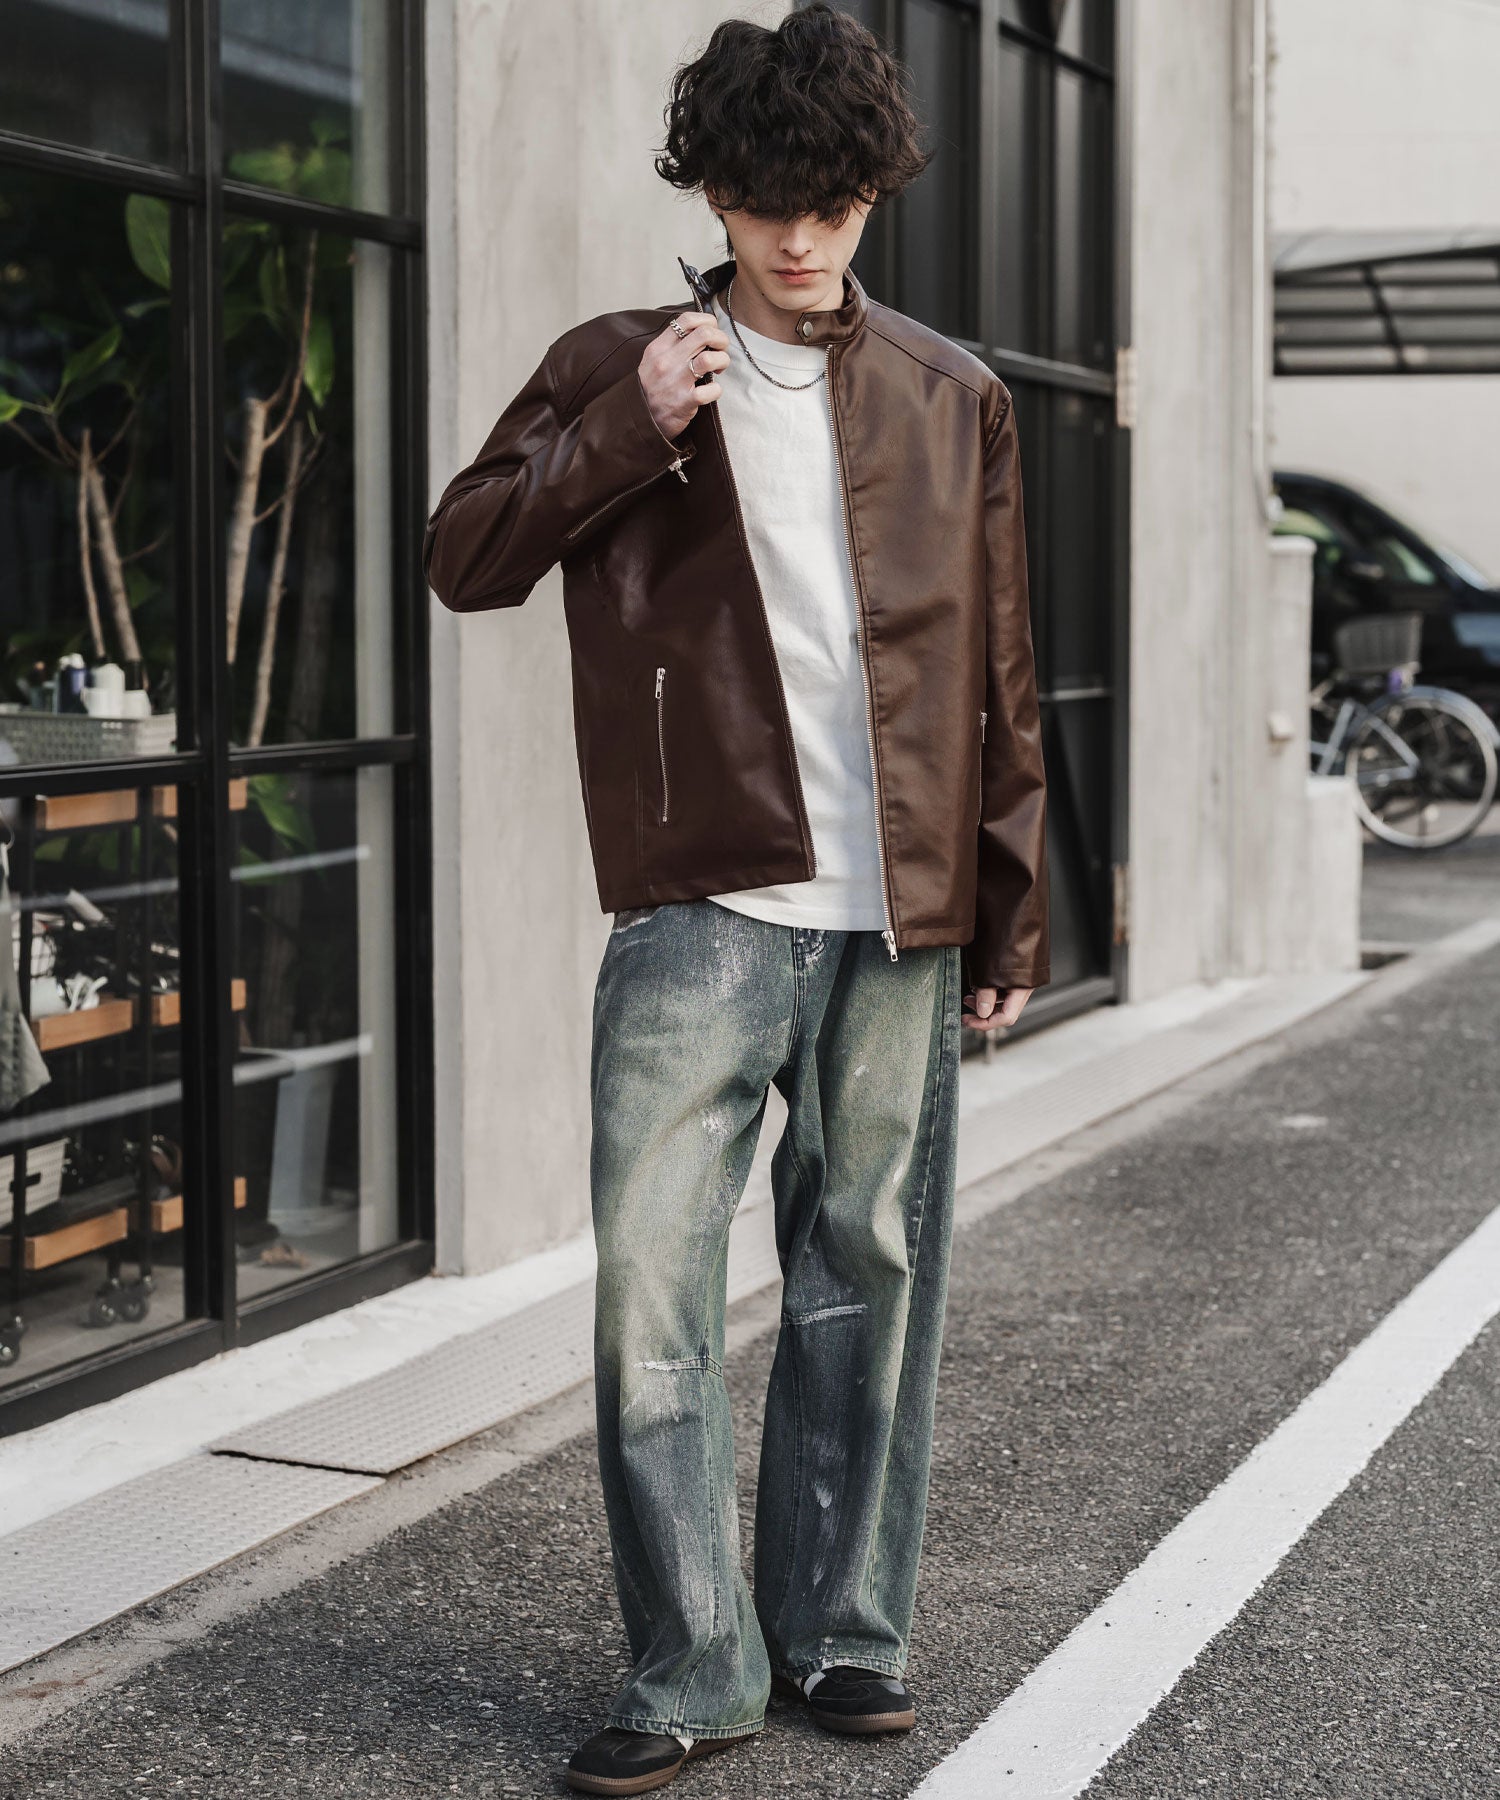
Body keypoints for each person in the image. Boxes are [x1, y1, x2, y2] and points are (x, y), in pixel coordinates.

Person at [423, 7, 1049, 1791]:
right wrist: (623, 431)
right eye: (770, 201)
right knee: (654, 1301)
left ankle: (842, 1635)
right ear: (712, 190)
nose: (800, 239)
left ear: (872, 198)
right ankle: (693, 1669)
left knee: (868, 1276)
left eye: (832, 205)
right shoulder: (617, 363)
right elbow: (466, 557)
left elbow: (1003, 674)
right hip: (701, 900)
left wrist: (1006, 911)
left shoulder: (952, 393)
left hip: (896, 914)